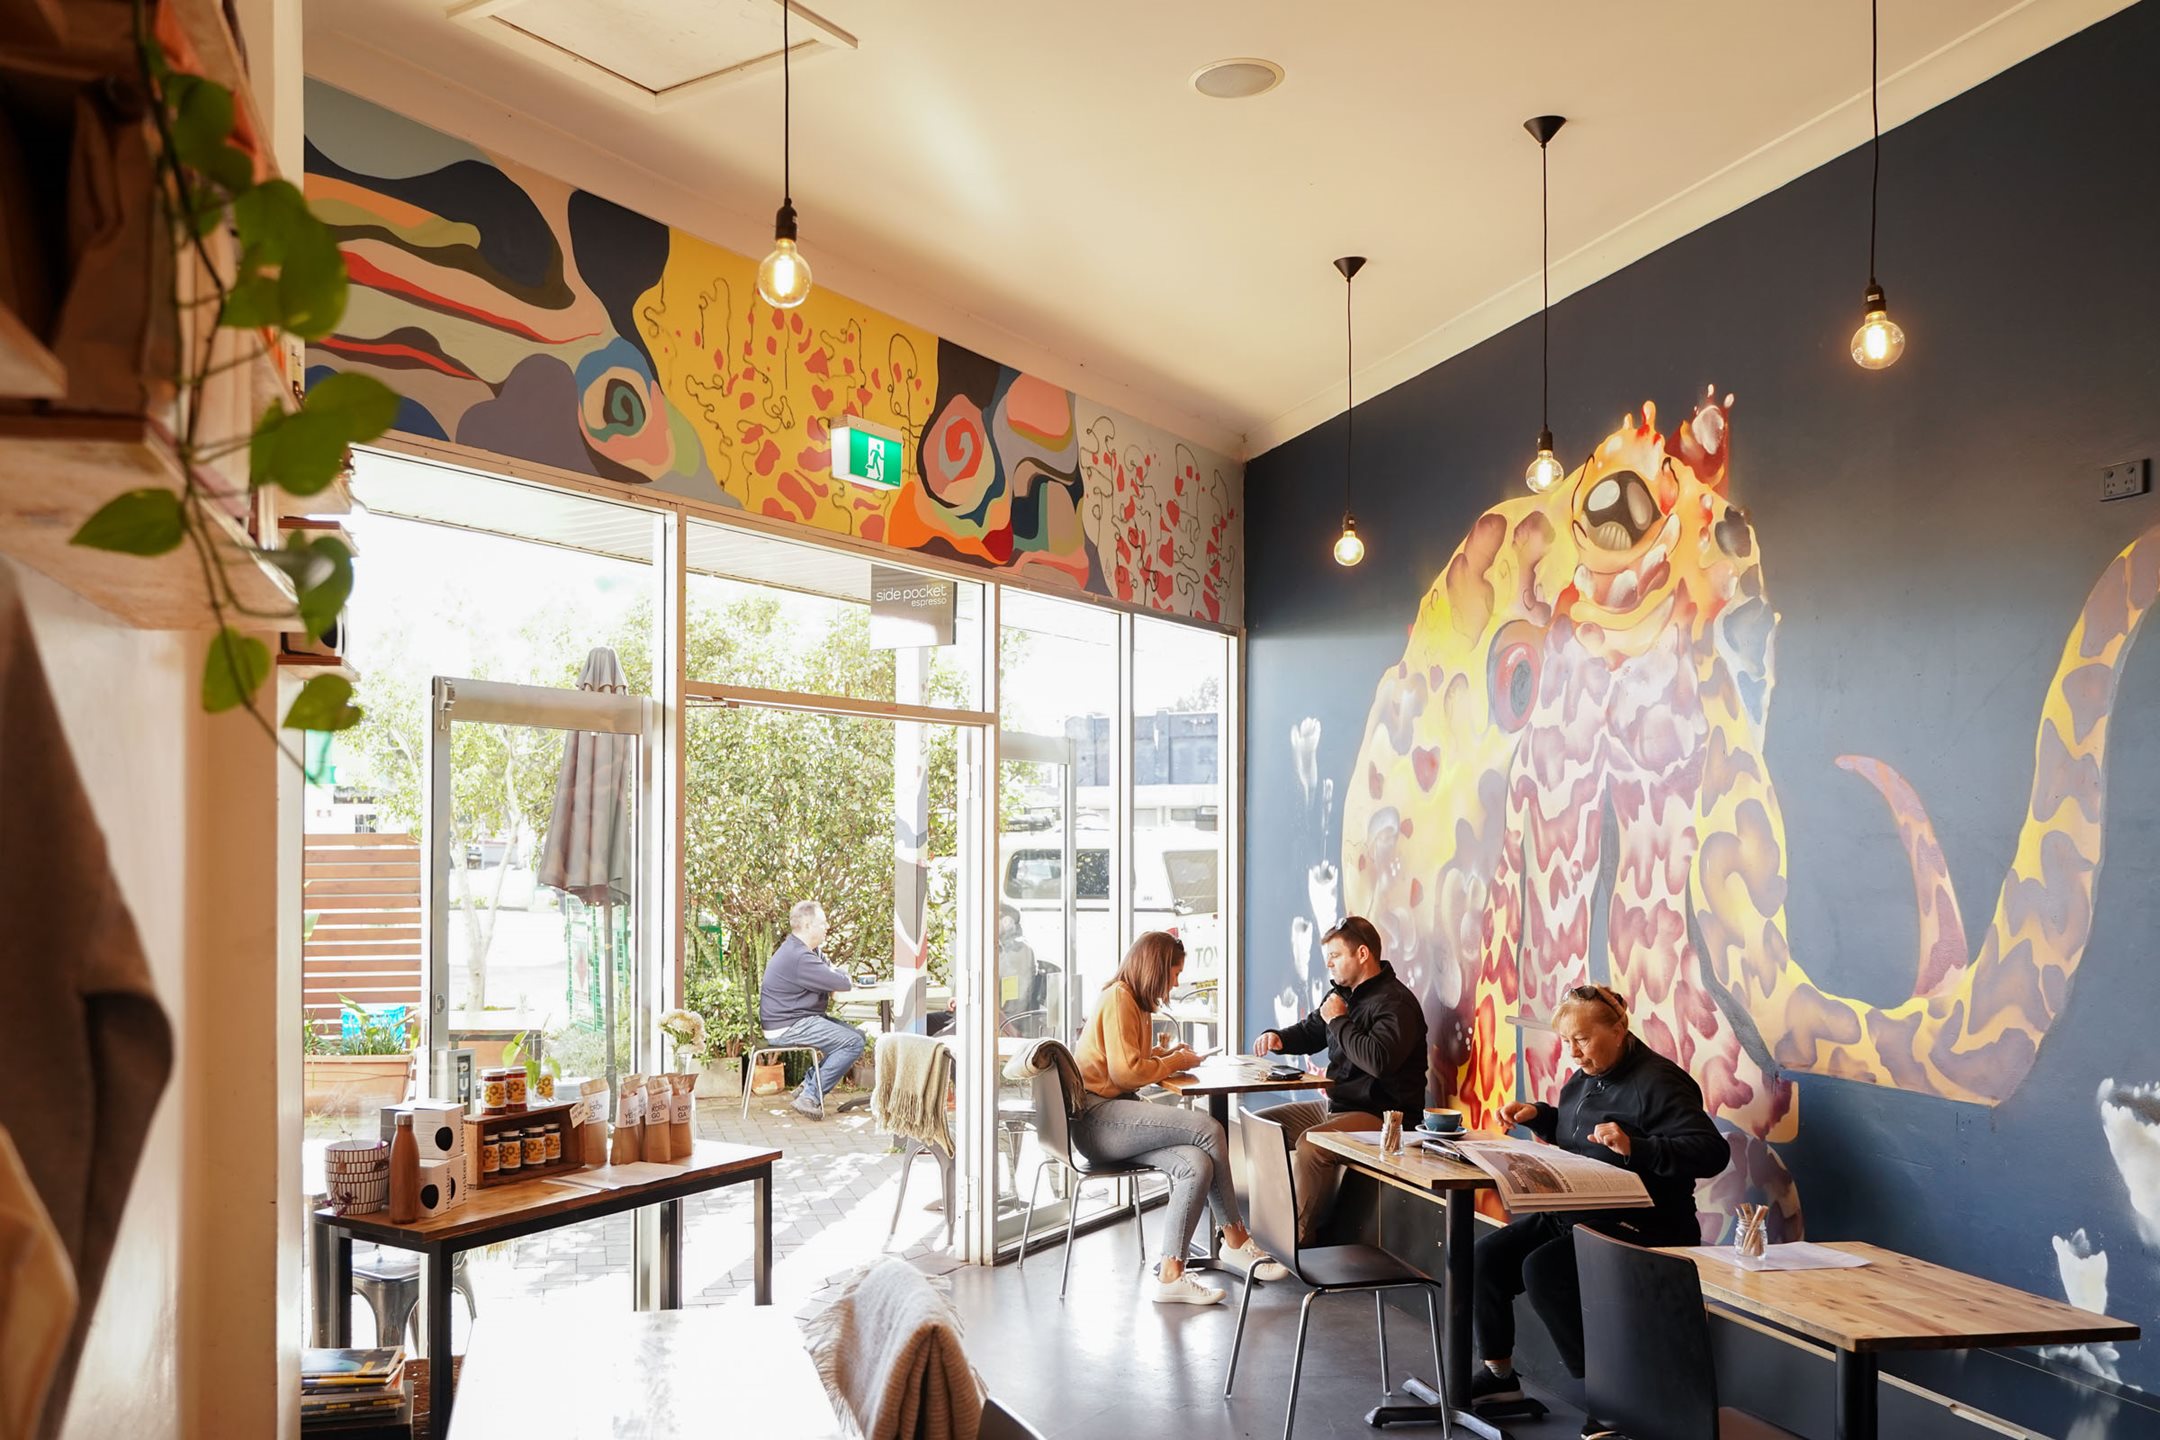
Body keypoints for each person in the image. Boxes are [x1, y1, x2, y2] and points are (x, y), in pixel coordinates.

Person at [1470, 983, 1728, 1440]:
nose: (1573, 1052)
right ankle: (1500, 1379)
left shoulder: (1659, 1081)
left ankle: (1618, 1402)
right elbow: (1578, 1134)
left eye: (1583, 1040)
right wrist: (1539, 1116)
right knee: (1487, 1259)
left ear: (1620, 1028)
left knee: (1545, 1271)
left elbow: (1711, 1152)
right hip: (1578, 1212)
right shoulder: (1585, 1076)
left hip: (1642, 1222)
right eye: (1566, 1041)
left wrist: (1639, 1147)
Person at [1072, 931, 1290, 1305]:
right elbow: (1126, 1074)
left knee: (1195, 1163)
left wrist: (1163, 1053)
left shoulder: (1134, 1003)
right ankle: (1235, 1237)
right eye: (1174, 973)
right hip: (1098, 1121)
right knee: (1208, 1127)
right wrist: (1176, 1061)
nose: (1175, 981)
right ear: (1155, 967)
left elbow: (1126, 1062)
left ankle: (1171, 1274)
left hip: (1111, 1116)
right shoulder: (1119, 997)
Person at [1252, 915, 1427, 1243]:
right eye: (1327, 958)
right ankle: (1266, 1231)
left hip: (1383, 1116)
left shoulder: (1397, 1003)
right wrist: (1279, 1038)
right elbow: (1313, 1030)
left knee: (1312, 1144)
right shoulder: (1343, 996)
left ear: (1362, 954)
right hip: (1339, 1106)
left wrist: (1339, 1021)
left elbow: (1378, 1061)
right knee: (1264, 1128)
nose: (1329, 965)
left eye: (1335, 956)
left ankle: (1296, 1240)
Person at [758, 900, 866, 1119]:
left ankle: (808, 1086)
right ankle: (810, 1096)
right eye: (823, 923)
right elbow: (841, 981)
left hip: (798, 1019)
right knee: (852, 1042)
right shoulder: (799, 957)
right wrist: (842, 974)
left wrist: (837, 974)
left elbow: (832, 973)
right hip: (788, 1026)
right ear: (807, 925)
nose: (827, 927)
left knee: (857, 1037)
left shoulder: (809, 950)